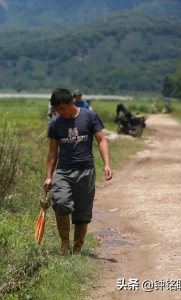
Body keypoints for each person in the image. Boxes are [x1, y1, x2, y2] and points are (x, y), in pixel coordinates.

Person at [43, 88, 113, 255]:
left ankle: (77, 248)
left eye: (62, 108)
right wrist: (48, 176)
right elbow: (53, 151)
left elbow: (101, 140)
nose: (60, 112)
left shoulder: (89, 116)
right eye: (57, 109)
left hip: (86, 170)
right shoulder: (55, 122)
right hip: (63, 171)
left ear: (71, 103)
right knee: (60, 202)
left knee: (82, 211)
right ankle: (64, 242)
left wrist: (107, 164)